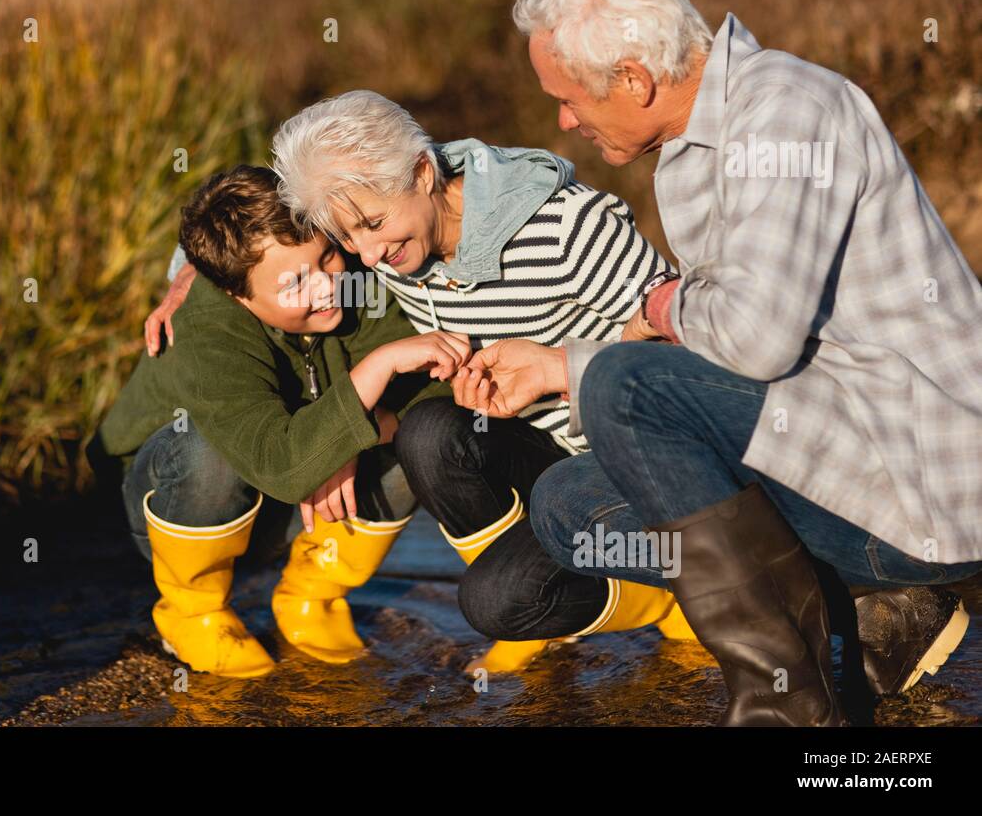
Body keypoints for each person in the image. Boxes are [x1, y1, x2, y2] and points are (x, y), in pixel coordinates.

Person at [458, 0, 982, 724]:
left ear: (633, 80)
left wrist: (659, 311)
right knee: (570, 507)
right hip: (838, 454)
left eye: (567, 98)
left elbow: (756, 338)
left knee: (621, 388)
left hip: (922, 488)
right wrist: (562, 366)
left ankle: (789, 708)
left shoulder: (788, 114)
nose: (563, 119)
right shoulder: (699, 142)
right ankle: (869, 607)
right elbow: (743, 349)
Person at [148, 92, 700, 676]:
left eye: (372, 228)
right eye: (347, 240)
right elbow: (247, 219)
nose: (367, 256)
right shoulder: (383, 237)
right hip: (538, 456)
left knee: (445, 477)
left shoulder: (568, 229)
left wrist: (561, 366)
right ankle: (550, 611)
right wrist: (186, 270)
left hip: (631, 462)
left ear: (421, 171)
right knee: (430, 436)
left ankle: (664, 580)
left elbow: (690, 343)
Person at [89, 164, 473, 677]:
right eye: (294, 282)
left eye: (327, 256)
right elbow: (282, 462)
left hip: (288, 507)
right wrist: (373, 373)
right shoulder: (207, 326)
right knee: (205, 452)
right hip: (174, 508)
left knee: (419, 435)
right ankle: (193, 612)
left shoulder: (356, 285)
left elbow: (429, 393)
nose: (325, 288)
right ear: (237, 295)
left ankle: (312, 597)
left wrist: (347, 440)